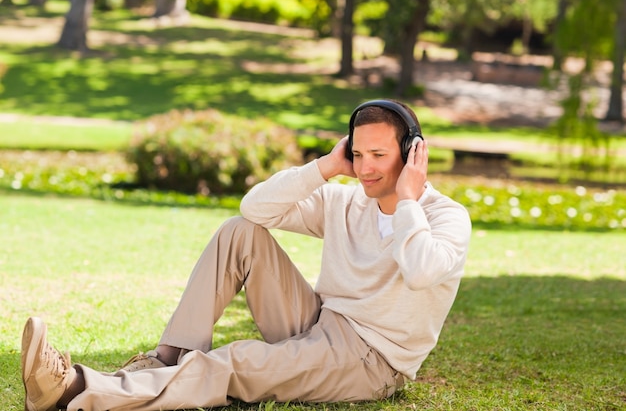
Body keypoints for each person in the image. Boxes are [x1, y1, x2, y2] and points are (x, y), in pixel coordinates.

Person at [21, 99, 472, 411]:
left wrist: (410, 200)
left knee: (237, 361)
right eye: (358, 153)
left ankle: (74, 389)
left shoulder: (446, 217)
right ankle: (167, 358)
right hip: (320, 322)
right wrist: (326, 167)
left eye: (378, 154)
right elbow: (254, 209)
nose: (366, 167)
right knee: (241, 232)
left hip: (370, 360)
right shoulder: (347, 200)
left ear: (414, 153)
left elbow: (419, 272)